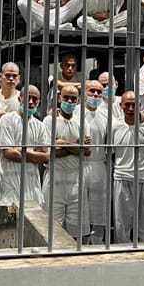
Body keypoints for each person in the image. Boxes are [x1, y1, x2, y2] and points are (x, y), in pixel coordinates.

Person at [43, 85, 91, 239]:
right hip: (55, 177)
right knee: (51, 227)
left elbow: (87, 152)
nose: (69, 101)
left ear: (78, 101)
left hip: (76, 178)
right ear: (59, 98)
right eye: (66, 98)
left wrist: (61, 142)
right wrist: (77, 145)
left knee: (77, 228)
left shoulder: (83, 122)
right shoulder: (50, 121)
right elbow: (50, 152)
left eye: (73, 98)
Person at [110, 91, 144, 243]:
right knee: (121, 224)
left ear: (140, 106)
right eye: (127, 105)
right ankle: (122, 252)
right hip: (122, 177)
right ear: (120, 106)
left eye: (134, 105)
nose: (130, 108)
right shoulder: (114, 126)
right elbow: (111, 153)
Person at [0, 85, 49, 207]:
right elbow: (9, 154)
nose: (30, 102)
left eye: (34, 99)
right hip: (10, 184)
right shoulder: (7, 120)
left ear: (39, 102)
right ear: (19, 99)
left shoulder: (39, 125)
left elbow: (45, 157)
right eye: (27, 97)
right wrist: (34, 155)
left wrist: (21, 149)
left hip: (33, 185)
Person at [82, 80, 109, 244]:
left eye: (99, 92)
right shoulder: (76, 113)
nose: (96, 95)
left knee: (99, 211)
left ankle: (98, 245)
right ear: (85, 92)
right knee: (80, 209)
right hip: (80, 166)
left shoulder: (106, 115)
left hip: (99, 165)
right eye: (92, 91)